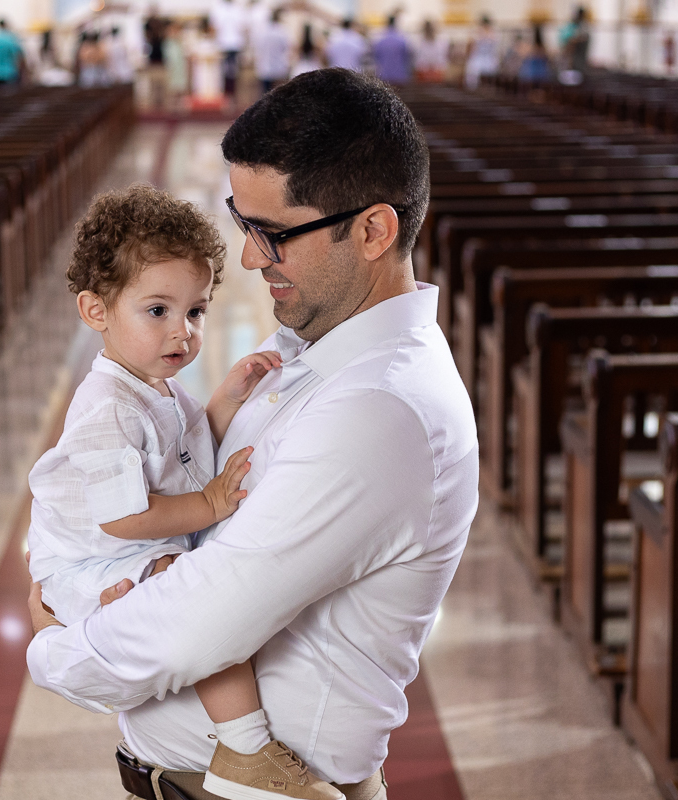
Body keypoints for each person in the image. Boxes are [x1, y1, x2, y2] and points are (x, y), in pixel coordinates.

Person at [27, 68, 478, 800]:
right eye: (245, 225)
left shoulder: (378, 410)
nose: (248, 258)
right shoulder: (313, 352)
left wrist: (53, 647)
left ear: (373, 230)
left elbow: (201, 620)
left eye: (272, 233)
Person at [26, 184, 343, 800]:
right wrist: (210, 507)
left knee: (197, 587)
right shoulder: (106, 407)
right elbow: (123, 517)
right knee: (194, 593)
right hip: (88, 563)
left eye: (195, 312)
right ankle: (246, 745)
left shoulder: (151, 386)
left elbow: (190, 450)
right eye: (157, 311)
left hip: (119, 550)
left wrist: (227, 395)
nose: (183, 332)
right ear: (96, 311)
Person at [210, 0, 247, 96]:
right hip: (225, 44)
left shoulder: (237, 9)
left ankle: (231, 94)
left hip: (232, 44)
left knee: (232, 72)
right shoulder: (219, 9)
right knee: (226, 71)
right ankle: (228, 94)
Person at [252, 8, 290, 94]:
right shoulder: (281, 31)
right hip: (278, 67)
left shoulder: (263, 31)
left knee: (265, 94)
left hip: (265, 66)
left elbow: (258, 46)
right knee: (277, 94)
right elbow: (285, 47)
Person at [463, 14, 498, 89]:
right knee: (472, 71)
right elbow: (470, 46)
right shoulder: (477, 32)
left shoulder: (493, 34)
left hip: (487, 58)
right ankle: (472, 90)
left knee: (489, 74)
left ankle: (487, 89)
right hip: (479, 57)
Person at [372, 16, 410, 84]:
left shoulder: (381, 40)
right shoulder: (402, 40)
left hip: (384, 75)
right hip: (399, 75)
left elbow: (376, 57)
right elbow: (407, 57)